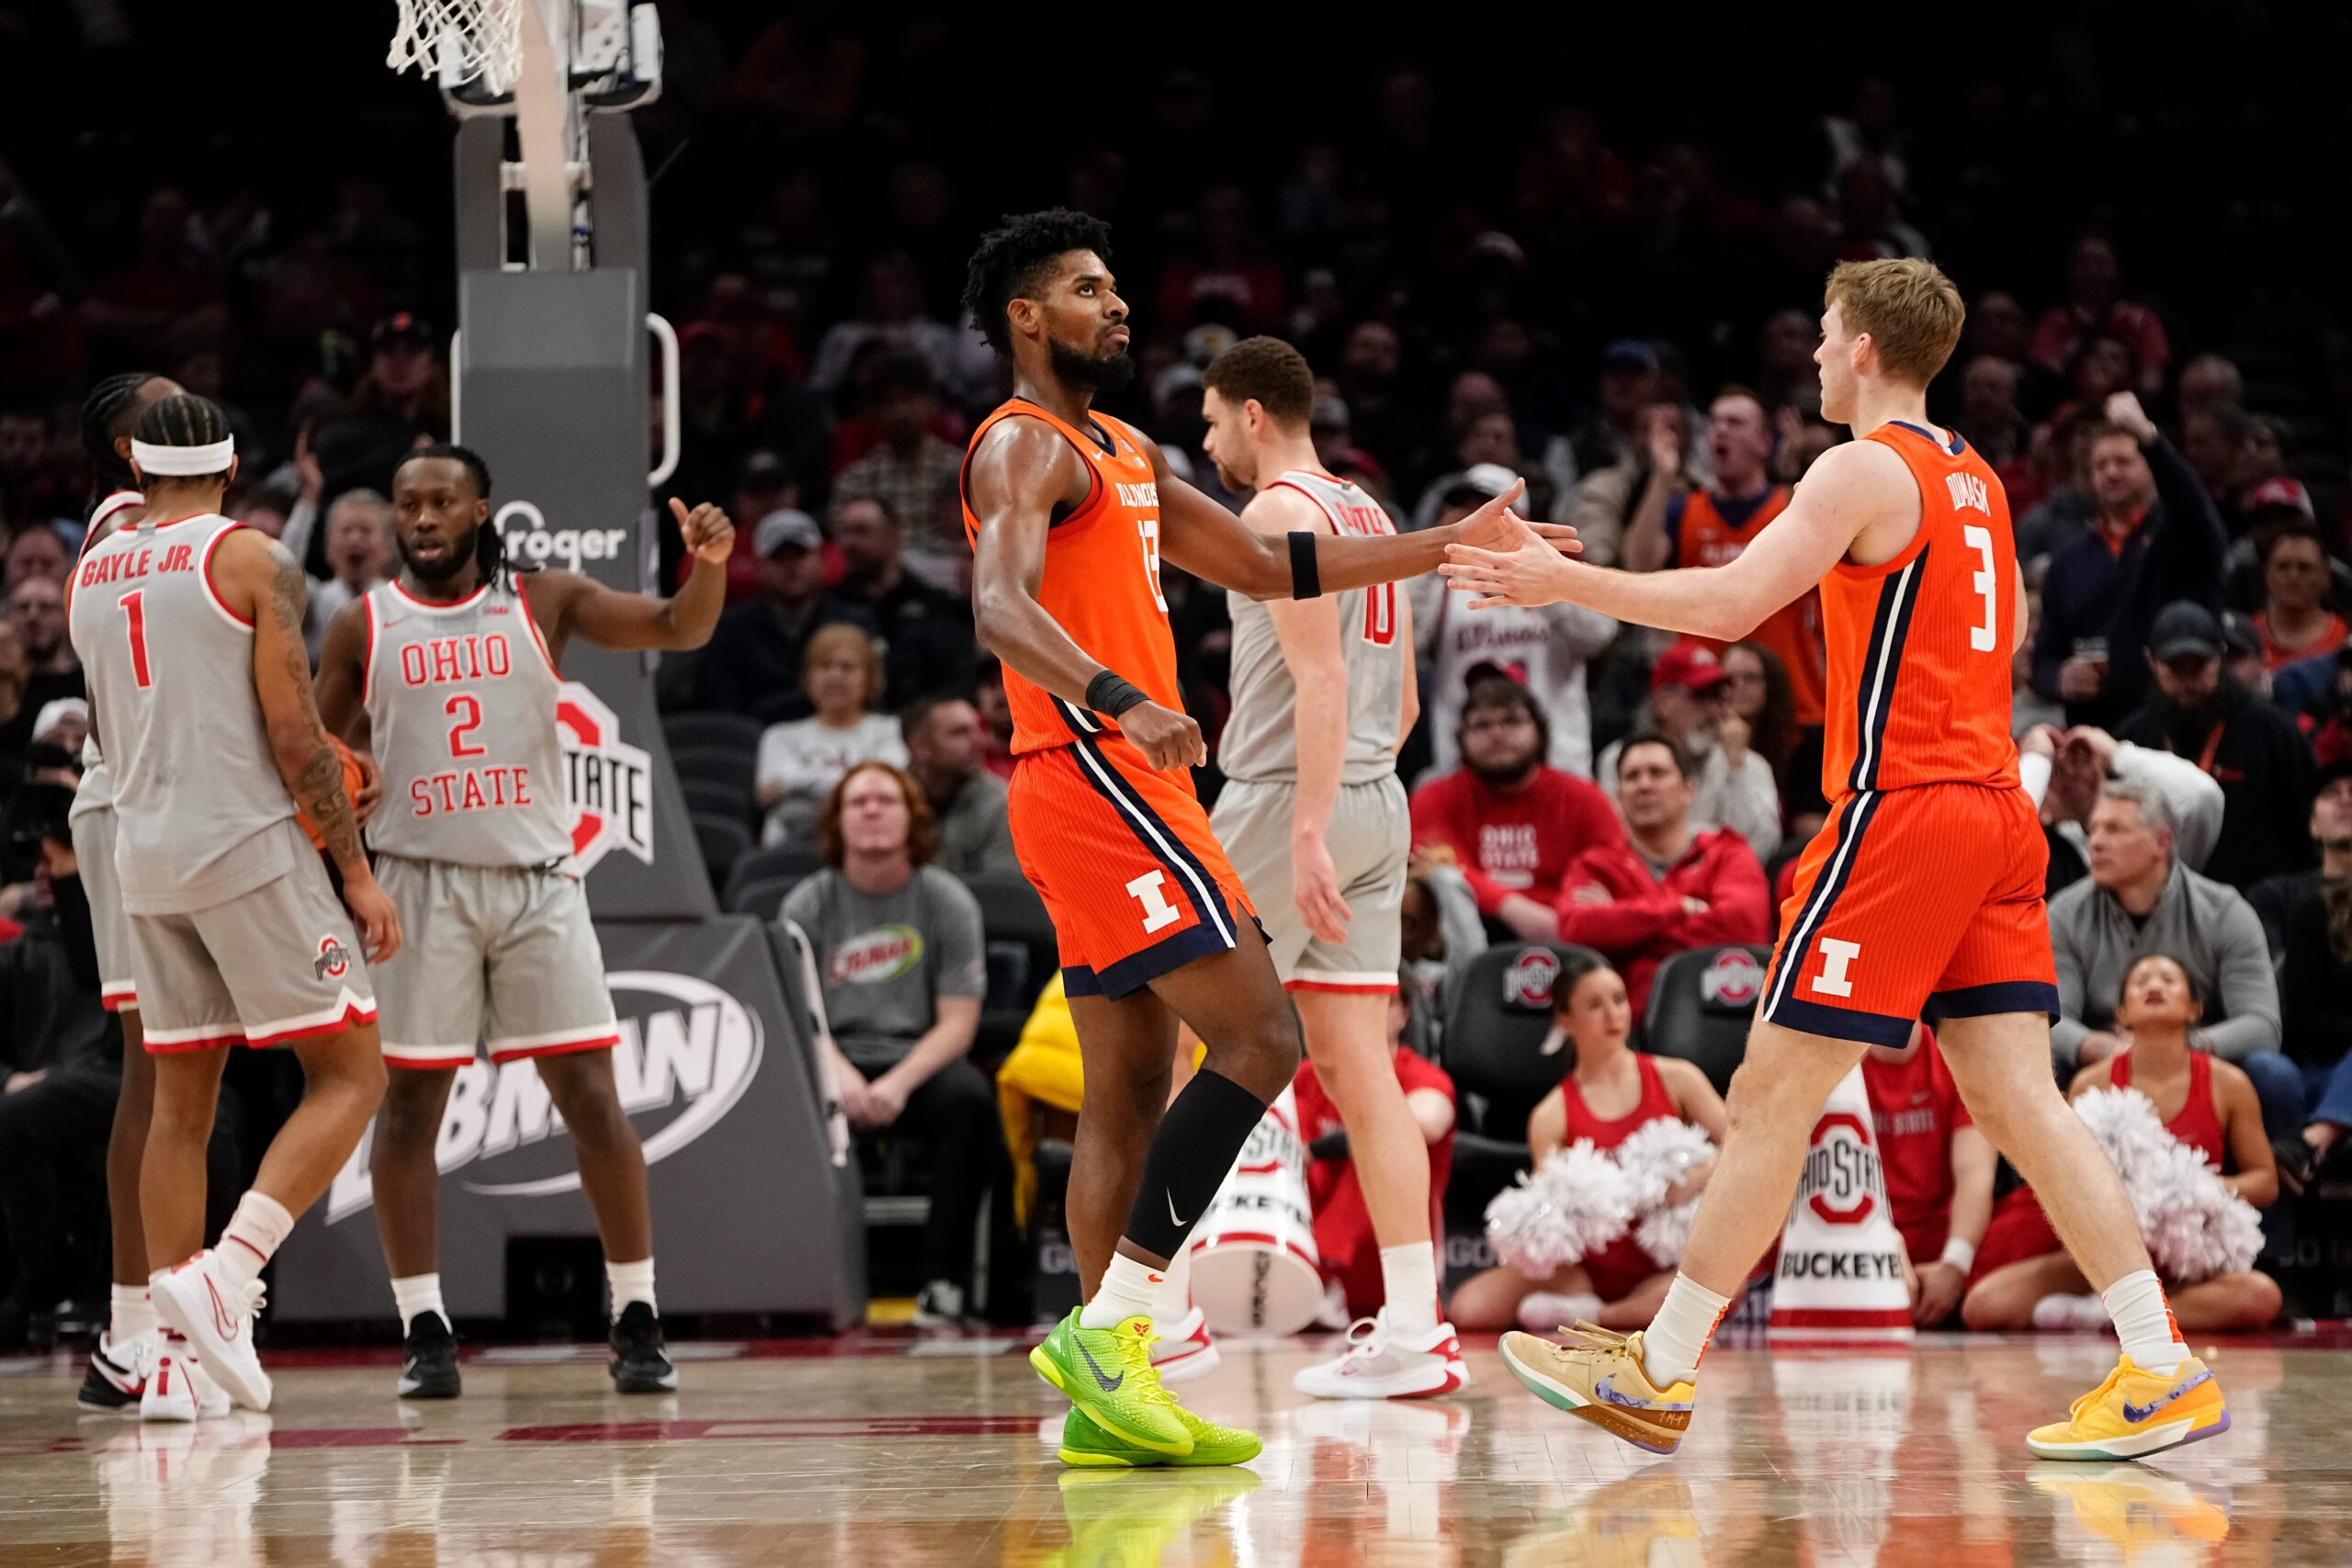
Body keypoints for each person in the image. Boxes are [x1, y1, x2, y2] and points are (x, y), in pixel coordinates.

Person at [1449, 258, 2230, 1459]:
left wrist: (1558, 579)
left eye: (1823, 335)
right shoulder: (1976, 476)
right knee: (2021, 1097)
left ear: (1864, 346)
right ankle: (2161, 1362)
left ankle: (1659, 1369)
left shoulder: (1863, 464)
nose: (1813, 354)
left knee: (1770, 1092)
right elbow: (2007, 623)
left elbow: (1729, 603)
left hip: (1907, 806)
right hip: (1991, 812)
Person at [958, 209, 1523, 1467]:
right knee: (1264, 1033)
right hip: (1097, 770)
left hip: (1125, 783)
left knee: (1121, 1088)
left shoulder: (1128, 449)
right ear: (1026, 316)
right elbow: (998, 605)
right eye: (1086, 288)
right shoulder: (1021, 446)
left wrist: (1446, 547)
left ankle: (1116, 1377)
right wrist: (1123, 698)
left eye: (1116, 285)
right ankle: (1120, 1325)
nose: (1117, 305)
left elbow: (1274, 571)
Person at [314, 446, 732, 1401]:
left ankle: (635, 1314)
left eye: (440, 501)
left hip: (539, 882)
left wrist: (706, 564)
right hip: (418, 884)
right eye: (407, 504)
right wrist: (340, 828)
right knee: (411, 1108)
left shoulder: (544, 601)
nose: (421, 518)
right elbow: (311, 754)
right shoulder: (360, 625)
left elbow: (676, 627)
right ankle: (424, 1326)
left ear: (480, 509)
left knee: (591, 1098)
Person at [66, 392, 398, 1417]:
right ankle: (227, 1271)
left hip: (143, 854)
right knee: (351, 1071)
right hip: (244, 847)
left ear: (138, 469)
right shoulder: (251, 559)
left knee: (180, 1100)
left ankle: (167, 1364)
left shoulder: (89, 569)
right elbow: (296, 739)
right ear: (232, 461)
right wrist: (354, 873)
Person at [1193, 334, 1464, 1400]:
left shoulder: (1275, 513)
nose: (1208, 442)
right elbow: (1393, 701)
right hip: (1377, 798)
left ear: (1254, 415)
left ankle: (1153, 1326)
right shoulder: (1371, 513)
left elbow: (1317, 680)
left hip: (1280, 803)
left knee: (1175, 1041)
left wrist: (1303, 825)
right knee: (1360, 1072)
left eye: (1214, 422)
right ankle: (1413, 1332)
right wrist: (1351, 806)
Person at [55, 371, 199, 1411]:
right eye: (155, 407)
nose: (180, 407)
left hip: (180, 807)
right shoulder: (125, 529)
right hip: (136, 806)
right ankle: (135, 1326)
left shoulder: (189, 525)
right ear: (119, 447)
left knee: (179, 1066)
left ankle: (160, 1320)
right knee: (154, 1064)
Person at [782, 762, 1002, 1327]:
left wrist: (895, 1084)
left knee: (970, 1101)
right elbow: (797, 1020)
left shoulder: (947, 900)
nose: (873, 810)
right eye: (859, 802)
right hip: (832, 1058)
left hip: (918, 1058)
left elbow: (959, 1023)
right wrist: (847, 1082)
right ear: (838, 822)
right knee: (786, 1107)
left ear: (913, 819)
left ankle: (942, 1282)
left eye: (887, 800)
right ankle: (815, 1281)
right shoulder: (807, 904)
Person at [1962, 956, 2280, 1334]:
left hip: (2188, 1261)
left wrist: (2187, 1194)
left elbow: (2265, 1181)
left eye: (2168, 979)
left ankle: (2101, 1319)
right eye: (2141, 980)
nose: (2154, 985)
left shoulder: (2229, 1084)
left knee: (2261, 1296)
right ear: (2122, 1013)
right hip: (2106, 1253)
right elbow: (2065, 1176)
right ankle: (2122, 1310)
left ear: (2195, 1009)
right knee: (1983, 1305)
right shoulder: (2091, 1083)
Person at [1448, 954, 1727, 1334]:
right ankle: (1592, 1305)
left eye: (1619, 999)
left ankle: (1598, 1318)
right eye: (1595, 1005)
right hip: (1586, 1272)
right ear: (1565, 1020)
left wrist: (1694, 1177)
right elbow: (1550, 1215)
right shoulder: (1551, 1115)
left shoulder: (1678, 1078)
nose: (1613, 1014)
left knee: (1726, 1282)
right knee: (1468, 1310)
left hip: (1667, 1268)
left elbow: (1740, 1143)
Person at [2047, 780, 2301, 1145]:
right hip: (2104, 1061)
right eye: (2095, 828)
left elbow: (2262, 1026)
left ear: (2162, 842)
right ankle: (2039, 1199)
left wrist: (2176, 1049)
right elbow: (2051, 1021)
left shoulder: (2225, 911)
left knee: (2274, 1074)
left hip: (2204, 1062)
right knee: (2041, 1070)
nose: (2096, 842)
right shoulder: (2066, 913)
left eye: (2115, 829)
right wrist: (2105, 1049)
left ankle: (2276, 1191)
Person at [1623, 387, 1828, 749]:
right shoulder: (1684, 511)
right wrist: (1662, 477)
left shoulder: (1794, 505)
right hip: (1705, 710)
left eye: (1735, 422)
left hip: (1793, 706)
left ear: (1765, 442)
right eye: (1715, 422)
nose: (1720, 430)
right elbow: (1637, 565)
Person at [2030, 393, 2227, 730]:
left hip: (2177, 721)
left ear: (2151, 467)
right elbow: (2044, 656)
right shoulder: (2067, 560)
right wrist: (2058, 677)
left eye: (2123, 461)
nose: (2111, 472)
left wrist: (2150, 439)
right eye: (2100, 465)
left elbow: (2192, 508)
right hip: (2095, 728)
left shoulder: (2179, 534)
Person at [1407, 465, 1617, 777]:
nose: (1477, 518)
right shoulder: (1442, 585)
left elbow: (1600, 633)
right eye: (1467, 508)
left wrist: (1541, 578)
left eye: (1489, 507)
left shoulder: (1559, 568)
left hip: (1558, 766)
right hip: (1465, 774)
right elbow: (1403, 643)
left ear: (1522, 516)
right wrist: (1433, 553)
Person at [1555, 732, 1770, 1018]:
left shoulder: (1728, 854)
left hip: (1718, 1020)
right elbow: (1576, 930)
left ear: (1688, 790)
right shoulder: (1594, 866)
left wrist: (1621, 928)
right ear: (1618, 796)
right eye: (1632, 777)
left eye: (1658, 773)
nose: (1644, 785)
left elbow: (1742, 929)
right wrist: (1680, 908)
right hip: (1626, 1032)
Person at [2117, 601, 2317, 890]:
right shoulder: (2131, 740)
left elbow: (2308, 828)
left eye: (2198, 666)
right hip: (2156, 902)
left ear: (2220, 658)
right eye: (2174, 668)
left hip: (2256, 904)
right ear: (2151, 661)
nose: (2188, 681)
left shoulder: (2273, 733)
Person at [1408, 677, 1626, 941]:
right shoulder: (1435, 796)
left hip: (1567, 930)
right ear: (1461, 739)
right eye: (1481, 725)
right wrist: (1514, 909)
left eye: (1511, 721)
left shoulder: (1584, 797)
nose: (1497, 734)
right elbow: (1438, 865)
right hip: (1466, 934)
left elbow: (1612, 866)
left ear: (1540, 730)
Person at [1292, 987, 1455, 1323]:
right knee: (1280, 1136)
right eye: (1354, 1000)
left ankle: (1327, 1271)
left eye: (1384, 1000)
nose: (1368, 1011)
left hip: (1387, 1270)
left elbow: (1428, 1122)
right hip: (1295, 1267)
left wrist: (1318, 1149)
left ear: (1404, 1013)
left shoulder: (1424, 1078)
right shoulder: (1303, 1079)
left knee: (1383, 1148)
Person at [1595, 640, 1782, 861]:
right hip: (1643, 885)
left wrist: (1736, 771)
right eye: (1701, 696)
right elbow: (1617, 842)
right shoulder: (1622, 761)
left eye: (1718, 697)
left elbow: (1761, 846)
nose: (1714, 711)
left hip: (1716, 885)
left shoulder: (1747, 764)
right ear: (1663, 702)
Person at [693, 509, 879, 725]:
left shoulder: (854, 622)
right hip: (755, 746)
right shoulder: (730, 630)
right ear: (759, 566)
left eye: (800, 554)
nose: (791, 567)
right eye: (779, 557)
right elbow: (720, 710)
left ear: (821, 561)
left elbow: (873, 695)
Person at [1861, 1025, 1994, 1327]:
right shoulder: (1835, 1059)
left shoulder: (1958, 1057)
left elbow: (1975, 1175)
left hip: (1940, 1242)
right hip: (1859, 1238)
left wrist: (1954, 1264)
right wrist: (1879, 1247)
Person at [2022, 723, 2223, 897]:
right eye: (2053, 771)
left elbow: (2202, 794)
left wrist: (2117, 754)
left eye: (2079, 757)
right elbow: (2005, 840)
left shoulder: (2149, 829)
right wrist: (2036, 759)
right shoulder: (2046, 851)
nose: (2068, 770)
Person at [754, 623, 908, 848]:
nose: (835, 676)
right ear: (807, 677)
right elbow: (767, 793)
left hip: (867, 845)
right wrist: (855, 785)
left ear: (869, 677)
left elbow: (885, 785)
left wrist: (794, 786)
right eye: (824, 666)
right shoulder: (780, 736)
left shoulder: (890, 730)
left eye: (847, 667)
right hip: (790, 851)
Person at [830, 354, 969, 592]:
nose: (900, 411)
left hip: (951, 596)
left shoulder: (964, 470)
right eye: (889, 402)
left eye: (909, 399)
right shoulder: (855, 481)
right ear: (872, 413)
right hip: (878, 592)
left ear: (931, 403)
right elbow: (846, 552)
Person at [831, 495, 973, 705]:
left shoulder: (933, 605)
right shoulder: (829, 606)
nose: (848, 543)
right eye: (845, 532)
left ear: (893, 535)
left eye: (861, 531)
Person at [900, 693, 1017, 878]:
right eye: (960, 732)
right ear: (920, 748)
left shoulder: (1001, 802)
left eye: (979, 729)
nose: (980, 741)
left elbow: (1001, 892)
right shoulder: (886, 803)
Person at [2251, 520, 2346, 671]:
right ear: (2266, 574)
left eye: (2304, 568)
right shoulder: (2247, 636)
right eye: (2282, 566)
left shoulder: (2345, 638)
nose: (2293, 577)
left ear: (2326, 576)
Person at [305, 489, 396, 629]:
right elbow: (283, 574)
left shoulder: (398, 602)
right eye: (346, 530)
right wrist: (307, 500)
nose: (354, 539)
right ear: (328, 548)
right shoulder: (315, 602)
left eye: (365, 530)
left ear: (387, 547)